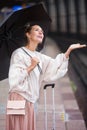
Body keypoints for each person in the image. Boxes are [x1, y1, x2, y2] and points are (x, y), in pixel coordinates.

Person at [6, 23, 86, 130]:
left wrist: (69, 51)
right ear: (28, 34)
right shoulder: (19, 54)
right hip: (18, 98)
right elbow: (14, 79)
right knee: (18, 127)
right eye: (37, 30)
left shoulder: (39, 56)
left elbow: (55, 65)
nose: (41, 32)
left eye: (42, 31)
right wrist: (31, 66)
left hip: (30, 100)